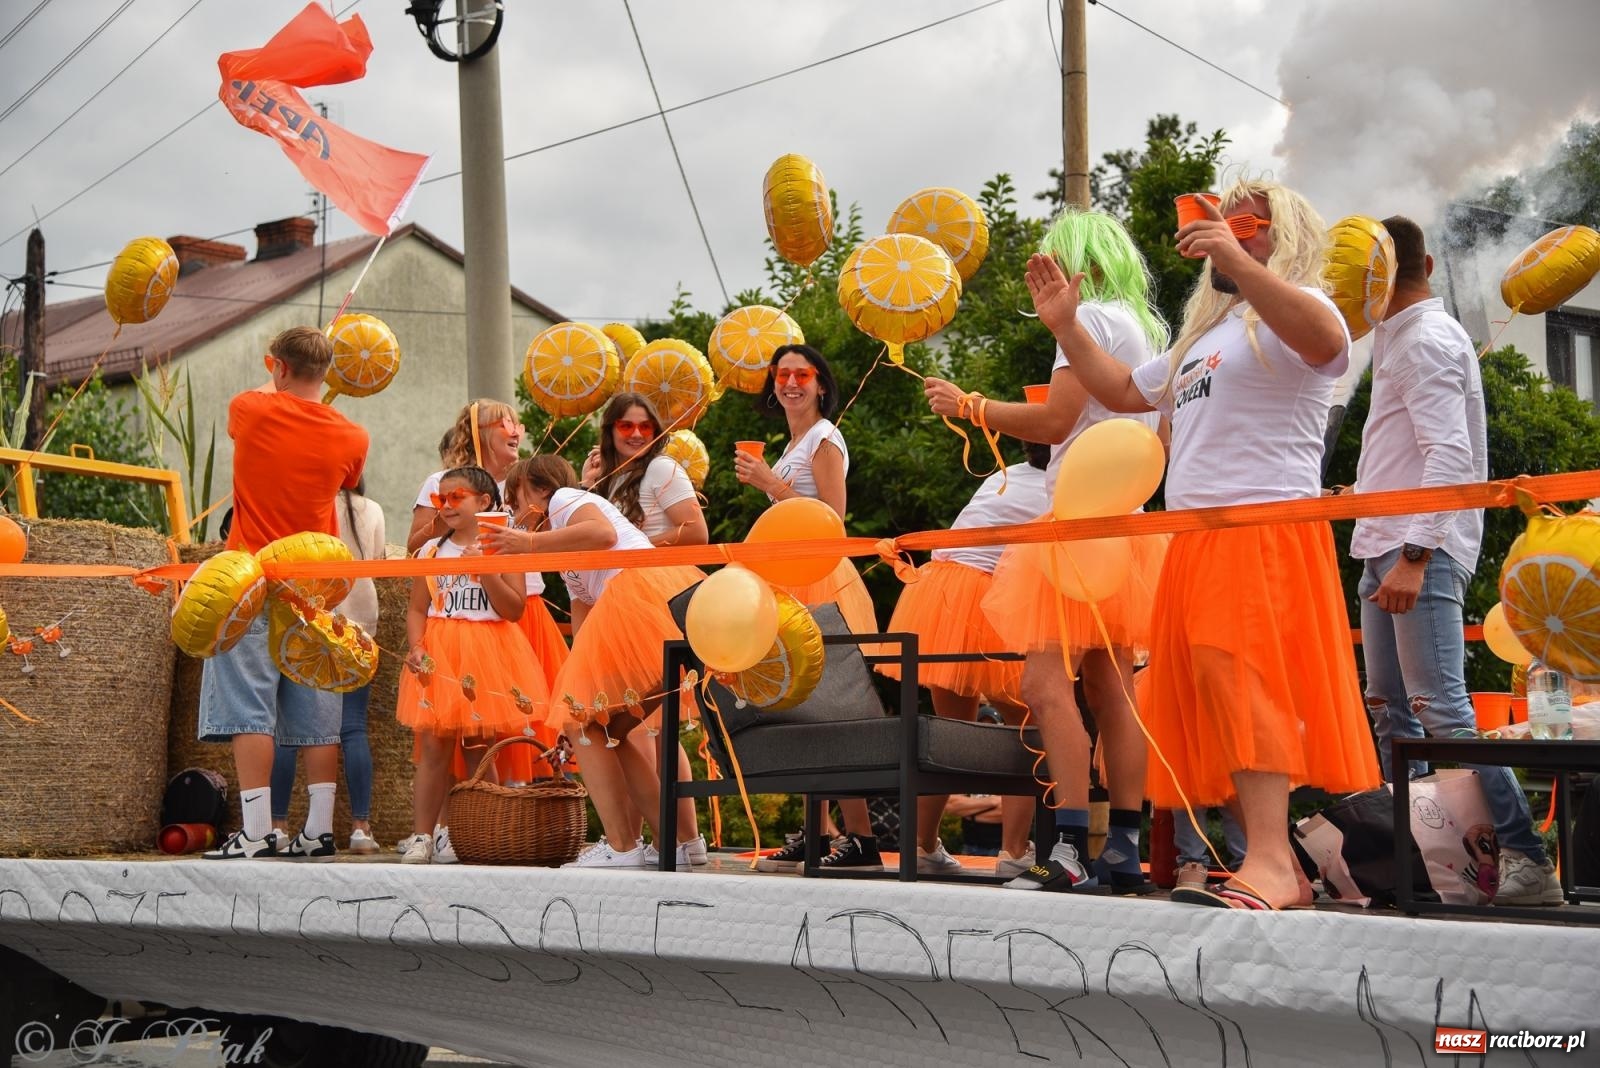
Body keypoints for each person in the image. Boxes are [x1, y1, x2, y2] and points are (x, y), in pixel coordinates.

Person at [1026, 181, 1381, 910]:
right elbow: (1126, 392)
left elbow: (1325, 344)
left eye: (1246, 219)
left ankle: (1277, 864)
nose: (1225, 227)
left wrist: (1244, 262)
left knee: (1246, 684)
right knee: (1215, 692)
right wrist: (1066, 328)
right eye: (1221, 217)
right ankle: (1268, 859)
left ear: (1281, 234)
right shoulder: (1209, 336)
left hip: (1258, 527)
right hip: (1197, 535)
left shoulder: (1301, 306)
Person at [926, 208, 1171, 893]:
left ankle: (1065, 848)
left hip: (1077, 524)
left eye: (1052, 261)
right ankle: (1121, 847)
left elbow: (1056, 420)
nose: (1045, 277)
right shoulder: (1146, 328)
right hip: (1126, 524)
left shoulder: (1088, 321)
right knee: (1113, 690)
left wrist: (971, 407)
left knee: (1041, 686)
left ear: (1075, 263)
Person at [1350, 216, 1559, 906]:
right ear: (1430, 263)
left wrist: (1416, 553)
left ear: (1370, 274)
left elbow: (1452, 458)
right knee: (1392, 710)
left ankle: (1527, 857)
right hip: (1390, 539)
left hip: (1417, 545)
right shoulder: (1401, 336)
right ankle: (1418, 857)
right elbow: (1422, 451)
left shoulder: (1427, 338)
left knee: (1438, 709)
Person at [487, 456, 706, 870]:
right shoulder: (564, 546)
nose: (514, 516)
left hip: (638, 600)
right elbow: (583, 615)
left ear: (536, 489)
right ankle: (671, 842)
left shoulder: (565, 500)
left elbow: (603, 534)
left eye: (514, 502)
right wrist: (579, 690)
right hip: (642, 607)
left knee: (585, 724)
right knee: (606, 729)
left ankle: (624, 846)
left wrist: (528, 544)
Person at [199, 326, 368, 859]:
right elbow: (348, 480)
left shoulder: (248, 408)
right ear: (328, 373)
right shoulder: (353, 436)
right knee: (319, 713)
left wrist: (276, 379)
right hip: (314, 584)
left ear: (277, 367)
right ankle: (318, 830)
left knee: (250, 709)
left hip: (249, 579)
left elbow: (261, 403)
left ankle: (255, 832)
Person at [735, 343, 881, 872]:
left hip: (818, 577)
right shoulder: (794, 440)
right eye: (781, 373)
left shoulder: (823, 437)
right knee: (800, 708)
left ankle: (861, 838)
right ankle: (817, 832)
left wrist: (770, 484)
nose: (790, 382)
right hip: (791, 578)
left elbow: (832, 518)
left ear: (821, 384)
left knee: (830, 708)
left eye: (802, 373)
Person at [876, 443, 1052, 877]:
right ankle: (1013, 852)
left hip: (937, 593)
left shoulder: (1003, 475)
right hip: (982, 596)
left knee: (950, 732)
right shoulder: (1060, 486)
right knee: (1028, 728)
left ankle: (921, 844)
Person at [407, 401, 565, 806]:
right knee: (445, 730)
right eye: (505, 421)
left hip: (518, 610)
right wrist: (447, 516)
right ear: (478, 431)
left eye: (518, 421)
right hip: (458, 622)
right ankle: (444, 827)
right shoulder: (441, 484)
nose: (516, 428)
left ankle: (510, 821)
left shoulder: (526, 478)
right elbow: (414, 550)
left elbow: (550, 533)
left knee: (516, 730)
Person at [394, 466, 549, 864]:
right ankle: (423, 836)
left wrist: (485, 573)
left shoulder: (505, 548)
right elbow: (416, 608)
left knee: (482, 747)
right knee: (433, 748)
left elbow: (513, 608)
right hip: (440, 653)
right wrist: (415, 647)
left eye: (455, 497)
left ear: (484, 502)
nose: (446, 506)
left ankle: (485, 830)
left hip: (488, 651)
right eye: (440, 500)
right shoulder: (430, 551)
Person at [579, 393, 708, 865]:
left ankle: (653, 843)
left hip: (651, 598)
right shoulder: (608, 480)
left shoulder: (661, 470)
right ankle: (677, 842)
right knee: (648, 728)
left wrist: (636, 545)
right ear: (609, 430)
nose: (635, 435)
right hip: (621, 607)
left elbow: (697, 534)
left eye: (645, 427)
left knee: (634, 726)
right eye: (625, 426)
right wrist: (591, 486)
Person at [268, 477, 386, 854]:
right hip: (360, 620)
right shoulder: (374, 510)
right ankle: (361, 828)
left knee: (288, 730)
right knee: (352, 728)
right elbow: (378, 561)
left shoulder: (305, 503)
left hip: (311, 620)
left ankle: (277, 824)